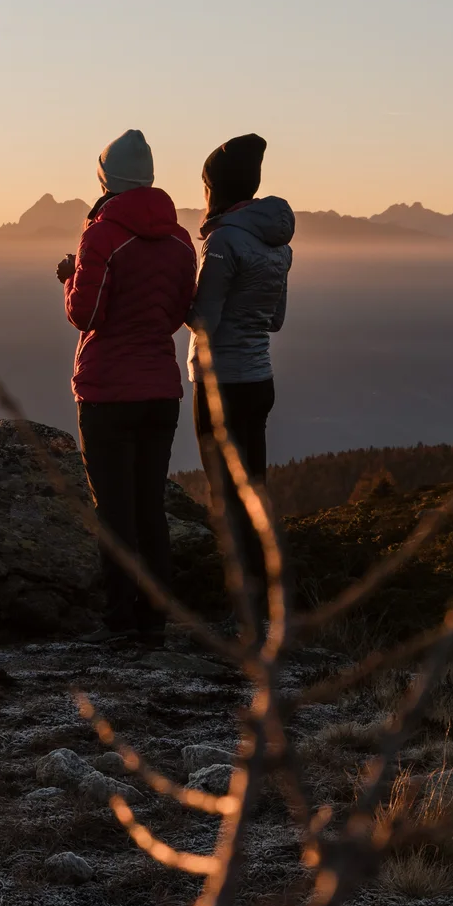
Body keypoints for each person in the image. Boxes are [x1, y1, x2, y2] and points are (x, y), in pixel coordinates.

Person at [56, 129, 197, 644]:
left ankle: (119, 624)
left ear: (106, 177)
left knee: (115, 512)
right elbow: (179, 312)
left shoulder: (102, 235)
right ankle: (154, 622)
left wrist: (70, 278)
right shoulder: (182, 240)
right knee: (149, 507)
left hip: (107, 393)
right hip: (161, 390)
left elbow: (85, 314)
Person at [185, 134, 294, 600]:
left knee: (224, 493)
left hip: (220, 383)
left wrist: (172, 295)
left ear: (216, 188)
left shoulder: (224, 241)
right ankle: (266, 591)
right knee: (254, 488)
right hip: (259, 379)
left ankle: (239, 604)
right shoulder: (277, 244)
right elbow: (276, 319)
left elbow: (202, 322)